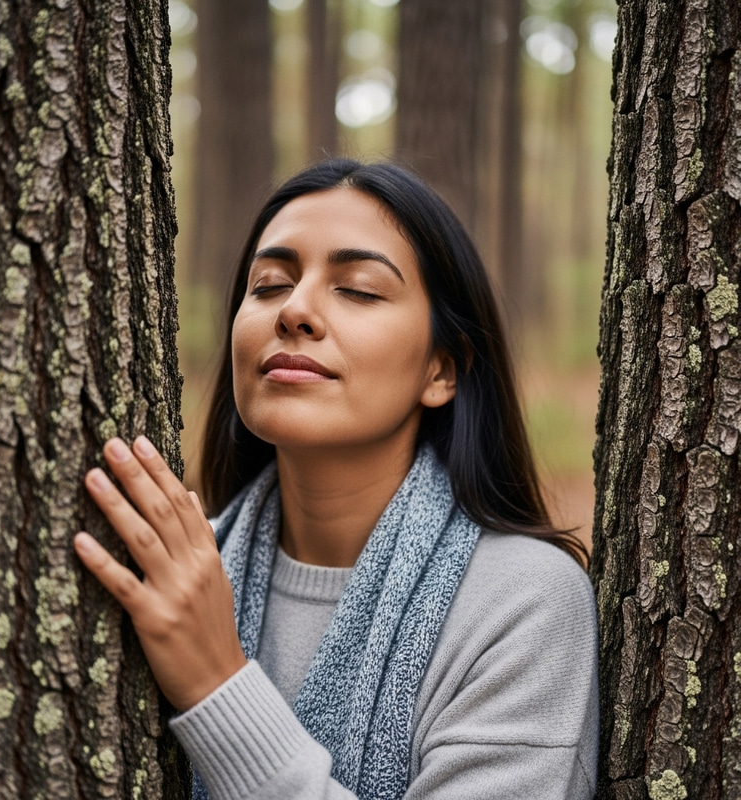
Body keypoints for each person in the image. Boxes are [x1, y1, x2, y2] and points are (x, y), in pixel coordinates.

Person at [74, 158, 599, 800]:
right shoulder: (174, 574)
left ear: (442, 368)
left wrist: (216, 684)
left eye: (357, 289)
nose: (294, 310)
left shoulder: (524, 603)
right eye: (268, 285)